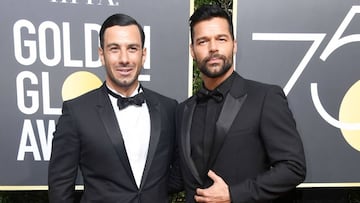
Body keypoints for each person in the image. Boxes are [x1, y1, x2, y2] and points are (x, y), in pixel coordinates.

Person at [176, 4, 306, 203]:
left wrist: (234, 194)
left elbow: (293, 167)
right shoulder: (184, 110)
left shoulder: (265, 97)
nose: (213, 48)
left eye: (221, 39)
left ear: (234, 45)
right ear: (192, 50)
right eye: (203, 41)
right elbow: (177, 176)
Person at [48, 13, 180, 203]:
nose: (124, 59)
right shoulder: (76, 112)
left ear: (143, 55)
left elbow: (180, 170)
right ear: (102, 55)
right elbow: (60, 188)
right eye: (114, 49)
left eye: (132, 48)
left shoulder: (168, 108)